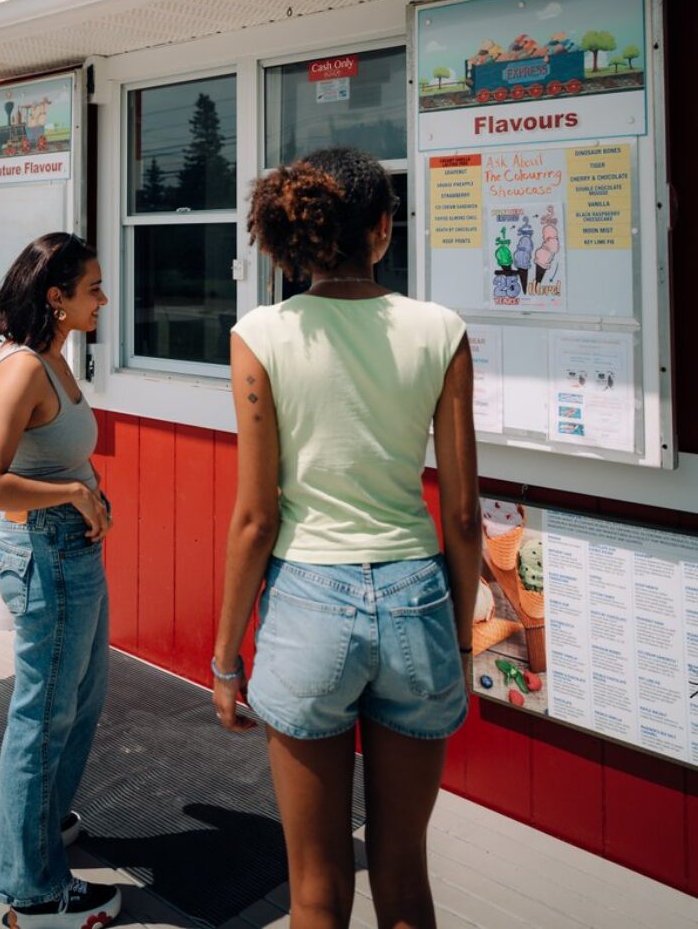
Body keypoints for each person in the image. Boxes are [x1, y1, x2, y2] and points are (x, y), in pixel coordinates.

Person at [212, 149, 480, 929]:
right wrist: (459, 644)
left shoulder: (259, 333)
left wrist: (227, 659)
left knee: (317, 892)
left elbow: (257, 517)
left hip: (307, 605)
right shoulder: (441, 329)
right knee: (404, 876)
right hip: (417, 597)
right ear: (384, 230)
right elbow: (463, 515)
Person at [0, 232, 122, 929]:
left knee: (81, 701)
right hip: (46, 558)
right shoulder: (22, 368)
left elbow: (59, 459)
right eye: (92, 287)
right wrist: (69, 499)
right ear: (57, 297)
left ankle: (33, 827)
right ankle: (30, 890)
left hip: (74, 553)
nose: (104, 297)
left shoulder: (59, 358)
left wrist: (89, 491)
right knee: (41, 718)